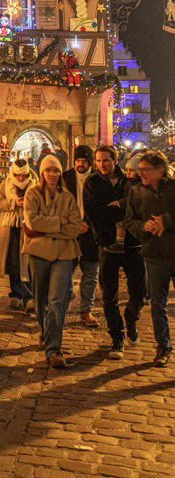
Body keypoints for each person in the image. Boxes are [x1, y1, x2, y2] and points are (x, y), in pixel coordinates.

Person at [83, 145, 146, 359]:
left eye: (106, 160)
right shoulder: (92, 183)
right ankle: (117, 337)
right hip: (107, 244)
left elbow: (138, 206)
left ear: (114, 160)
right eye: (99, 161)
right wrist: (117, 214)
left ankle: (131, 318)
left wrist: (118, 206)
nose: (102, 165)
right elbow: (94, 213)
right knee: (109, 296)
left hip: (132, 244)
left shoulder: (128, 180)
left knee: (139, 291)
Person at [23, 154, 82, 369]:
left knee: (57, 300)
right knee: (40, 300)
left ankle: (53, 349)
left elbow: (75, 227)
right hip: (38, 253)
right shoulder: (32, 194)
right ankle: (45, 332)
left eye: (56, 171)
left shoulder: (67, 197)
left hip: (64, 254)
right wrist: (60, 222)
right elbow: (32, 220)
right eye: (49, 170)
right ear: (42, 172)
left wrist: (46, 228)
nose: (53, 175)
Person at [123, 150, 175, 367]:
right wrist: (143, 226)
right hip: (154, 255)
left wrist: (166, 221)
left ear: (160, 170)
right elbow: (129, 221)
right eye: (140, 169)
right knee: (157, 304)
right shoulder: (135, 192)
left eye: (146, 170)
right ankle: (163, 346)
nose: (141, 173)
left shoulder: (173, 189)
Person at [0, 159, 38, 309]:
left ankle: (29, 295)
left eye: (23, 175)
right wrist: (12, 203)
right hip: (10, 226)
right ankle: (16, 294)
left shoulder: (35, 183)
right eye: (18, 175)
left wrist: (28, 204)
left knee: (28, 262)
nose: (21, 179)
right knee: (13, 262)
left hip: (29, 226)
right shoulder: (6, 183)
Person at [63, 145, 99, 327]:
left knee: (91, 273)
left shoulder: (98, 179)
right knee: (66, 270)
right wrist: (73, 225)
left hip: (91, 234)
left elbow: (102, 207)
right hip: (70, 233)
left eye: (84, 161)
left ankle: (87, 310)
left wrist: (89, 225)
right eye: (78, 161)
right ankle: (64, 303)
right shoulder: (66, 177)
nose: (80, 164)